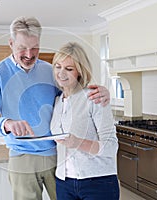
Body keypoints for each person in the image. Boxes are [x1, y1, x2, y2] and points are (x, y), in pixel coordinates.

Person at [0, 16, 110, 200]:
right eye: (22, 48)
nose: (29, 55)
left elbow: (72, 95)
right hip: (22, 157)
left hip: (58, 155)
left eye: (35, 48)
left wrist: (102, 92)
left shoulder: (51, 71)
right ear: (11, 43)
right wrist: (6, 123)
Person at [50, 42, 119, 200]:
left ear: (80, 72)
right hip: (64, 183)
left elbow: (111, 147)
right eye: (57, 66)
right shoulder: (57, 102)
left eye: (69, 69)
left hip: (98, 182)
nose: (61, 73)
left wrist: (78, 143)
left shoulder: (94, 97)